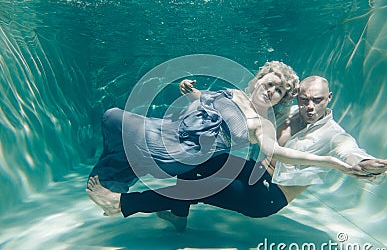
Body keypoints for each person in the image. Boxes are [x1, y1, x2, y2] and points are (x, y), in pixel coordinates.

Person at [86, 75, 387, 231]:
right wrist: (195, 93)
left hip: (268, 196)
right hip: (255, 173)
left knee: (204, 179)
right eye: (304, 99)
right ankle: (177, 215)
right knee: (205, 160)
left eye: (317, 100)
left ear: (329, 98)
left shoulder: (332, 132)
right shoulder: (288, 114)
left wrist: (366, 165)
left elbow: (349, 149)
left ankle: (123, 204)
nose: (310, 107)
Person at [88, 62, 355, 194]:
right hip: (171, 129)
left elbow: (277, 151)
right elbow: (204, 99)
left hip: (182, 152)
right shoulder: (233, 93)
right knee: (111, 117)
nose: (271, 91)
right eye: (270, 84)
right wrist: (188, 90)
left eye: (279, 92)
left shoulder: (264, 124)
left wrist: (328, 161)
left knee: (117, 121)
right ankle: (117, 178)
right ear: (259, 80)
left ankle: (112, 180)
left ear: (282, 99)